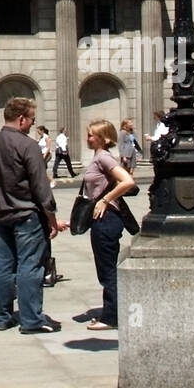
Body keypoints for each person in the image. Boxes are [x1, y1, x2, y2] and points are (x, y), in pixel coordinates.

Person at [0, 97, 67, 334]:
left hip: (3, 212)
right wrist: (51, 217)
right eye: (31, 119)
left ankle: (0, 316)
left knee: (3, 265)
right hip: (27, 213)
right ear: (21, 119)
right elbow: (41, 187)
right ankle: (31, 320)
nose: (32, 124)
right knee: (30, 265)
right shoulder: (28, 146)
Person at [80, 120, 137, 331]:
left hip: (107, 219)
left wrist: (106, 199)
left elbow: (128, 181)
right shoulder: (99, 157)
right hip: (104, 219)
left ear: (103, 138)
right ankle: (112, 313)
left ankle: (111, 317)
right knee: (106, 268)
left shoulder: (103, 157)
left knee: (108, 270)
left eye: (91, 135)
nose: (88, 138)